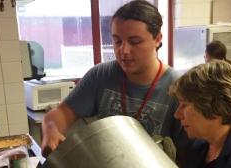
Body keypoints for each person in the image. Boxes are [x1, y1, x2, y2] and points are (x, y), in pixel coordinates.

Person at [41, 0, 185, 156]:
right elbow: (62, 113)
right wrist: (51, 129)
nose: (124, 50)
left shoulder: (178, 88)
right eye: (117, 41)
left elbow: (189, 153)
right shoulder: (100, 76)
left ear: (157, 39)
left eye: (134, 41)